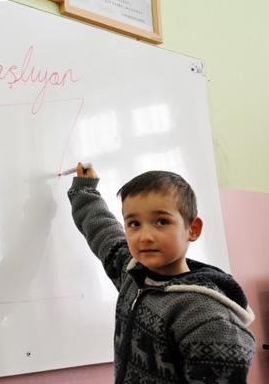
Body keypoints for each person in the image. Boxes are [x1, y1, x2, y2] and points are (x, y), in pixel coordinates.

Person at [67, 163, 255, 383]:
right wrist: (85, 189)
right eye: (134, 223)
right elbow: (103, 229)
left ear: (192, 229)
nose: (145, 236)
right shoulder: (133, 273)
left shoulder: (208, 318)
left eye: (161, 221)